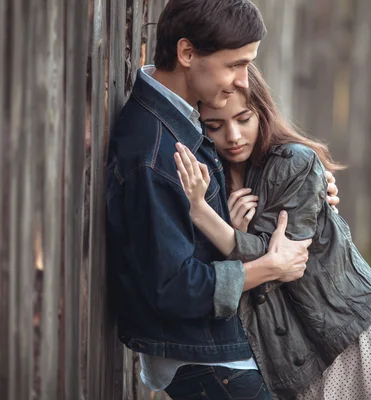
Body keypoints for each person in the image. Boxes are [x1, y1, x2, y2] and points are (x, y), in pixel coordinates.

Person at [105, 1, 340, 399]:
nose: (243, 81)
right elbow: (173, 285)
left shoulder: (182, 116)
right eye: (235, 64)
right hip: (205, 363)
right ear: (186, 54)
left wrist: (307, 189)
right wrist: (270, 267)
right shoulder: (154, 152)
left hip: (227, 347)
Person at [174, 63, 371, 399]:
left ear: (262, 113)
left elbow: (281, 263)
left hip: (356, 333)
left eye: (243, 119)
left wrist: (207, 218)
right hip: (301, 358)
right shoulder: (215, 178)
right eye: (215, 126)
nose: (232, 136)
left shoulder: (292, 162)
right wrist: (231, 229)